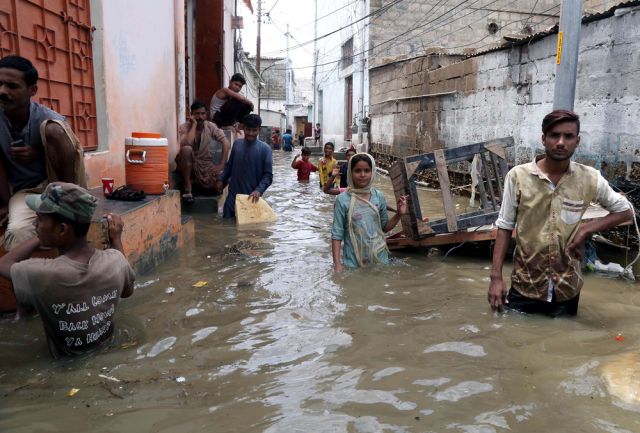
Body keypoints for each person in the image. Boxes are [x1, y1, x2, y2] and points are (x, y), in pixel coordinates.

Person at [488, 110, 633, 317]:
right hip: (525, 285)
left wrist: (585, 230)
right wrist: (496, 278)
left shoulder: (589, 178)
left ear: (577, 141)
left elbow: (626, 211)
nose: (561, 142)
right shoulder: (518, 177)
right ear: (544, 139)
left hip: (567, 288)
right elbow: (504, 226)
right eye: (554, 135)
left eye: (568, 136)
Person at [0, 182, 136, 358]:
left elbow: (4, 263)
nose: (35, 224)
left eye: (40, 220)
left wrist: (39, 238)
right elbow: (127, 292)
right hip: (108, 350)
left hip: (64, 364)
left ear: (62, 229)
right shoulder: (115, 260)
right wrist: (116, 238)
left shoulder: (43, 274)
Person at [0, 55, 86, 251]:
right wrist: (5, 203)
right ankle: (28, 279)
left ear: (32, 90)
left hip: (57, 187)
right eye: (0, 84)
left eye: (11, 86)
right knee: (18, 231)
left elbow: (72, 159)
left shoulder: (49, 119)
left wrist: (38, 155)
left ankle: (69, 204)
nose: (2, 91)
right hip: (25, 192)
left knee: (54, 129)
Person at [331, 153, 407, 272]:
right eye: (357, 171)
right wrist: (337, 263)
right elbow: (337, 234)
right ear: (351, 173)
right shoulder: (342, 199)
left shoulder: (378, 196)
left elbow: (384, 227)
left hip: (379, 257)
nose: (362, 175)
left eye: (367, 170)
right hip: (353, 260)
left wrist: (399, 214)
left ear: (372, 172)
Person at [218, 114, 273, 219]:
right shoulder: (237, 145)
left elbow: (268, 176)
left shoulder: (266, 150)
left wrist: (258, 190)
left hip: (252, 199)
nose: (251, 134)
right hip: (232, 196)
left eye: (254, 130)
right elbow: (229, 167)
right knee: (226, 226)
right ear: (243, 128)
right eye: (248, 130)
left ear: (259, 130)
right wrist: (221, 180)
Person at [175, 101, 230, 203]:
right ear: (192, 114)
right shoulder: (184, 127)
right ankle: (188, 186)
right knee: (186, 150)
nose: (200, 117)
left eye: (202, 114)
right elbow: (187, 144)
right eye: (196, 114)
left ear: (206, 114)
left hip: (204, 166)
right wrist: (194, 125)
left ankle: (195, 182)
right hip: (188, 164)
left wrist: (221, 164)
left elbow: (226, 142)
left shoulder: (210, 126)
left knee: (227, 177)